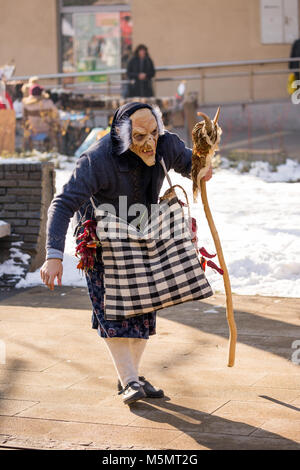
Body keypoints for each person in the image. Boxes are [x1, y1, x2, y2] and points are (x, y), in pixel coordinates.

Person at [40, 102, 213, 405]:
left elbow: (193, 166)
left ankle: (130, 375)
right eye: (139, 136)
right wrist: (54, 254)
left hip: (146, 232)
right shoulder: (96, 160)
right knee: (114, 311)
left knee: (145, 306)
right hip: (101, 240)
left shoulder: (165, 144)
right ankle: (130, 379)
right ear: (122, 136)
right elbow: (63, 203)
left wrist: (205, 156)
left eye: (154, 134)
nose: (149, 143)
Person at [22, 84, 60, 151]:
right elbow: (56, 115)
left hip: (33, 131)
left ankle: (29, 149)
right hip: (47, 130)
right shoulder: (48, 103)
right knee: (59, 129)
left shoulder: (26, 104)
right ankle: (57, 149)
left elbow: (24, 119)